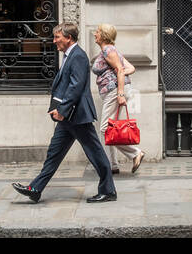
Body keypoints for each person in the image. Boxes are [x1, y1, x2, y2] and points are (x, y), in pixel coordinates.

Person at [13, 22, 117, 203]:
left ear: (69, 38)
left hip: (77, 115)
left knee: (95, 153)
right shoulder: (70, 55)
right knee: (54, 154)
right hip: (68, 117)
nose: (54, 41)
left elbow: (76, 87)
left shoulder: (78, 56)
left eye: (57, 38)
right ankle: (35, 188)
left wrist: (62, 110)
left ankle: (108, 191)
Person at [92, 23, 144, 174]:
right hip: (114, 91)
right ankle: (112, 165)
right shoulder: (111, 50)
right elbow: (131, 68)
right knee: (111, 128)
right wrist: (118, 71)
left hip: (115, 91)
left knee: (105, 129)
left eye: (97, 32)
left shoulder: (109, 50)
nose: (95, 34)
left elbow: (122, 69)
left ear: (103, 35)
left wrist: (120, 93)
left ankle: (135, 153)